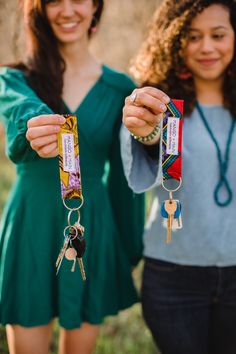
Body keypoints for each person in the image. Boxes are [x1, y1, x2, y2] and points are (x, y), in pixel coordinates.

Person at [0, 0, 144, 353]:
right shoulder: (16, 79)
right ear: (39, 10)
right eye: (53, 1)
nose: (67, 9)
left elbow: (127, 177)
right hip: (32, 225)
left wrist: (128, 245)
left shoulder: (120, 88)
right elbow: (22, 117)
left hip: (90, 227)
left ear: (95, 7)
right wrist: (36, 127)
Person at [121, 0, 236, 353]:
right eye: (192, 36)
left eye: (218, 35)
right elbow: (148, 140)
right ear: (173, 40)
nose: (206, 47)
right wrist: (147, 132)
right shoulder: (159, 103)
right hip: (174, 278)